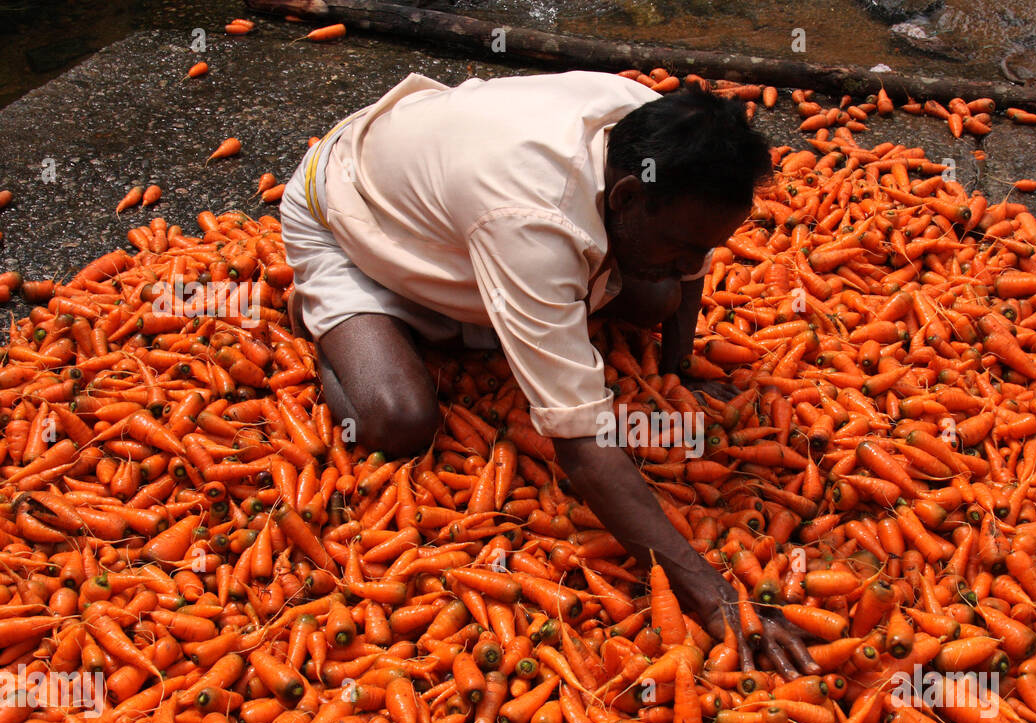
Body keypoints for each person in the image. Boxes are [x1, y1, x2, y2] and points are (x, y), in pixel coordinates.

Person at [279, 70, 821, 677]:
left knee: (657, 294)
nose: (697, 263)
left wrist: (679, 370)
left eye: (707, 246)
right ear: (623, 200)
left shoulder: (671, 139)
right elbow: (583, 449)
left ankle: (463, 313)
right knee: (398, 419)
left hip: (447, 187)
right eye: (684, 245)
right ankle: (335, 327)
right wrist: (711, 595)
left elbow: (688, 265)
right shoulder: (531, 220)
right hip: (349, 211)